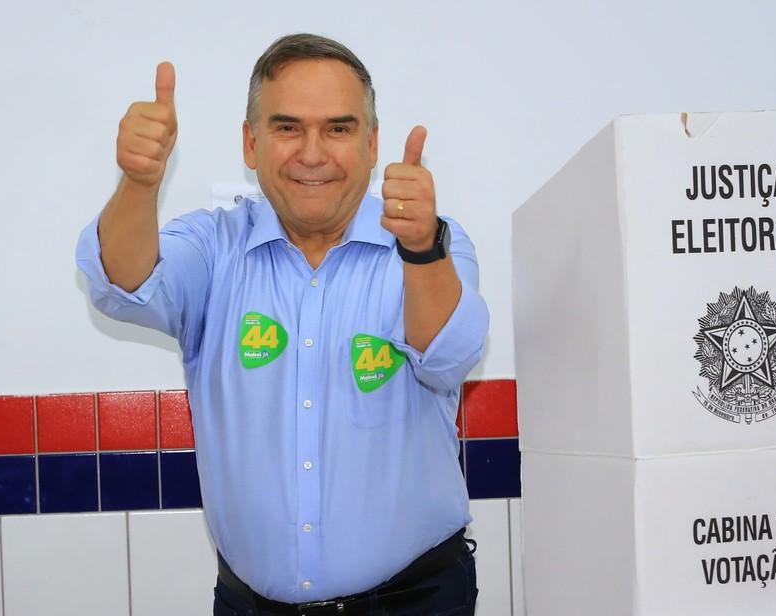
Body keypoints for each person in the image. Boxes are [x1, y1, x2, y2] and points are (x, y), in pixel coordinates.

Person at [76, 33, 489, 615]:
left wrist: (421, 250)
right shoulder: (213, 247)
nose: (312, 153)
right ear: (251, 142)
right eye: (288, 127)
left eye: (339, 129)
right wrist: (140, 184)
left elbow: (449, 355)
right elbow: (121, 285)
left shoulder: (431, 243)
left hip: (417, 600)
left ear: (372, 145)